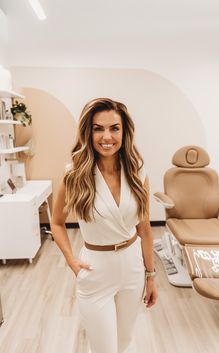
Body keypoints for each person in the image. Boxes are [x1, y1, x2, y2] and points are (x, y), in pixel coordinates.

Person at [51, 98, 158, 353]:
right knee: (104, 348)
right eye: (98, 128)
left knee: (124, 342)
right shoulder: (74, 174)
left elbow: (144, 229)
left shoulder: (137, 172)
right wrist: (71, 261)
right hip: (96, 269)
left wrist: (151, 276)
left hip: (133, 268)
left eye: (114, 128)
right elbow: (56, 223)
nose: (106, 136)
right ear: (88, 132)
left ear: (124, 131)